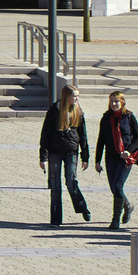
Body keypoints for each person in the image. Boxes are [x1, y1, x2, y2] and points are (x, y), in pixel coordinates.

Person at [39, 83, 91, 226]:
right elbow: (45, 134)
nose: (76, 99)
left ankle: (82, 207)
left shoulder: (78, 111)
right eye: (74, 96)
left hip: (71, 151)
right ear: (66, 96)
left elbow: (83, 136)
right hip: (54, 152)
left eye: (78, 96)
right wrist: (43, 157)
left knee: (71, 183)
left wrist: (85, 157)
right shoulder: (54, 110)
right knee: (55, 187)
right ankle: (56, 220)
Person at [95, 90, 138, 230]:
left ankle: (115, 219)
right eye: (111, 101)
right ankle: (128, 205)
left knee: (117, 186)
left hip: (125, 158)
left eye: (116, 101)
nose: (114, 104)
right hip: (110, 157)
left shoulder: (129, 117)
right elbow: (101, 140)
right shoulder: (106, 118)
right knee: (114, 187)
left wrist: (128, 151)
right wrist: (97, 160)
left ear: (122, 102)